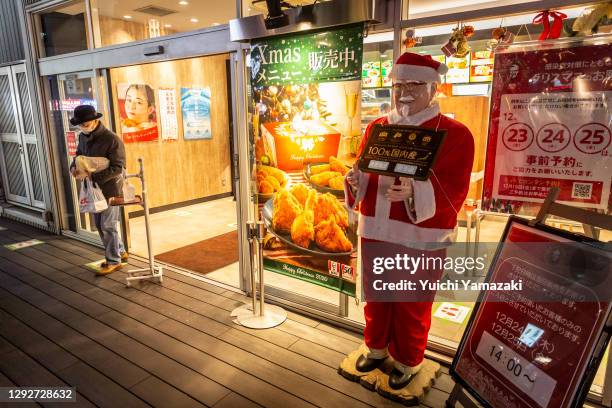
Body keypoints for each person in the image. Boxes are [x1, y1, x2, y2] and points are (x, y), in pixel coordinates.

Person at [344, 52, 474, 389]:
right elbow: (365, 170)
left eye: (414, 85)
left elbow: (455, 189)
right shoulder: (377, 127)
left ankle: (408, 359)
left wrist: (416, 192)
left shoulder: (455, 134)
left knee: (412, 301)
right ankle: (375, 347)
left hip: (422, 235)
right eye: (399, 85)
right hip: (376, 228)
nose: (404, 92)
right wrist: (356, 182)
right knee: (378, 294)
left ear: (434, 88)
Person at [69, 104, 128, 275]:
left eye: (85, 125)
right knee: (99, 225)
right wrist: (73, 167)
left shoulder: (112, 139)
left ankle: (113, 260)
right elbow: (78, 156)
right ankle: (121, 251)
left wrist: (94, 177)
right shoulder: (82, 137)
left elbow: (118, 168)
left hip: (110, 188)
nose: (82, 128)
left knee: (108, 225)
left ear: (95, 121)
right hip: (93, 189)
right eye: (80, 125)